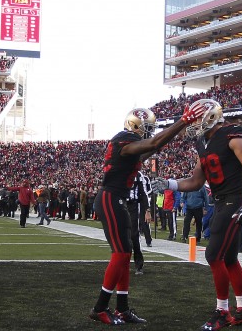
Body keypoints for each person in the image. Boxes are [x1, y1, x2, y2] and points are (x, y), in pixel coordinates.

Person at [89, 104, 207, 326]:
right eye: (148, 128)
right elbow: (153, 143)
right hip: (110, 199)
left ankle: (122, 309)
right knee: (122, 254)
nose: (150, 132)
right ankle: (100, 307)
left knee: (125, 255)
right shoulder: (123, 139)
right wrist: (182, 121)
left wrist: (175, 133)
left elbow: (153, 147)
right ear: (136, 125)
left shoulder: (128, 143)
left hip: (118, 200)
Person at [156, 99, 242, 330]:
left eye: (195, 119)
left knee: (214, 256)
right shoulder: (203, 142)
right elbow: (195, 181)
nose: (193, 125)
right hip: (222, 201)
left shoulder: (231, 134)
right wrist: (168, 183)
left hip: (235, 199)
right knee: (230, 258)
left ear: (211, 116)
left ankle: (223, 313)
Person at [128, 169, 153, 274]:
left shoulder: (138, 175)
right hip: (121, 204)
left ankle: (139, 265)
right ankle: (120, 263)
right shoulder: (119, 172)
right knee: (120, 235)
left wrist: (147, 210)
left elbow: (144, 193)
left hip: (134, 205)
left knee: (134, 235)